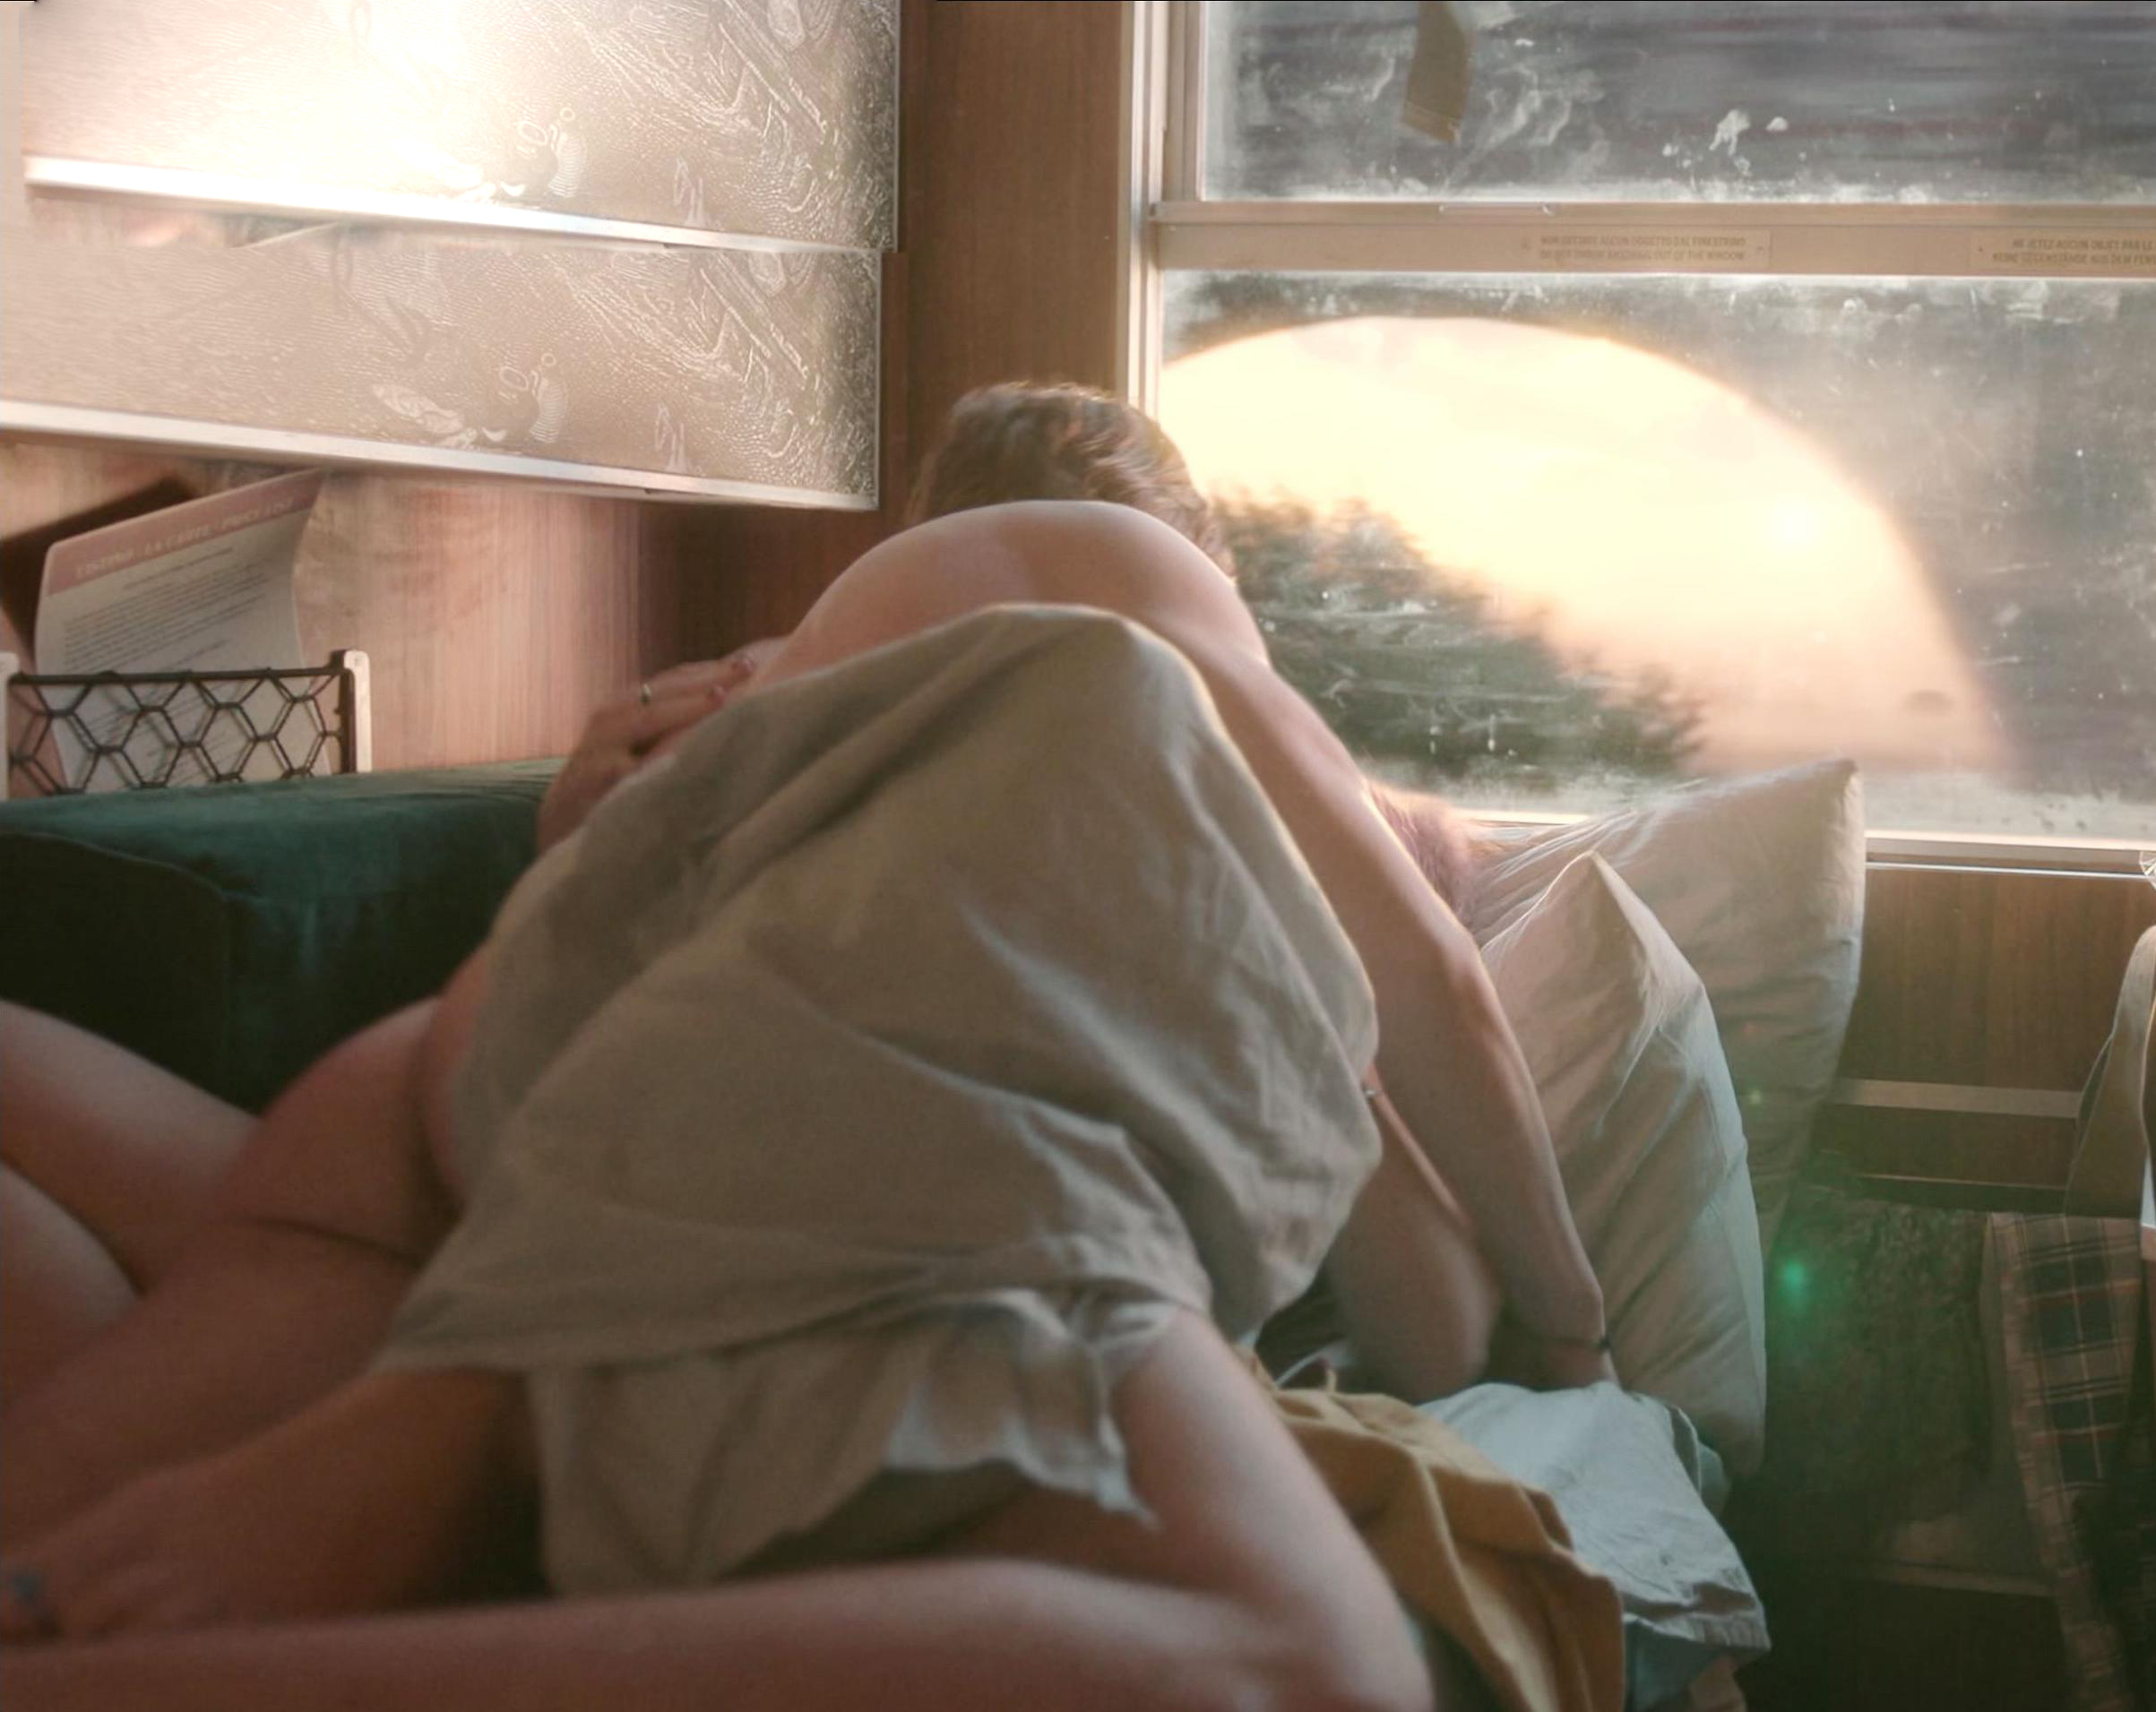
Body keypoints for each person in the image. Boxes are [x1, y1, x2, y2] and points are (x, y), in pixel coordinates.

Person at [0, 416, 1593, 1707]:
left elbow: (594, 929)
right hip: (784, 1119)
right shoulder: (1133, 642)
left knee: (61, 1551)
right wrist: (1585, 1337)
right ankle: (480, 1401)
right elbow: (1441, 1003)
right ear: (1207, 556)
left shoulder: (775, 672)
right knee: (1318, 1674)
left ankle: (461, 1405)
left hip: (473, 1070)